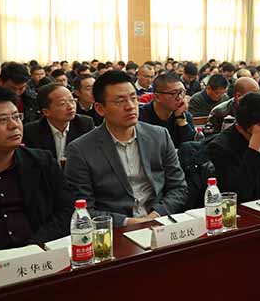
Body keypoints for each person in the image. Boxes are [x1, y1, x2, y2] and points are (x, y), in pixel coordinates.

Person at [0, 86, 73, 259]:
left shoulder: (42, 162)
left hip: (40, 256)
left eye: (17, 117)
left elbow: (66, 209)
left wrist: (35, 247)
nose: (14, 125)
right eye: (2, 120)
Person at [64, 71, 188, 228]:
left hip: (160, 222)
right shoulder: (81, 150)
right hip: (115, 229)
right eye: (120, 101)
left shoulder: (159, 136)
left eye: (133, 98)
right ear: (100, 109)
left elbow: (178, 188)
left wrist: (155, 215)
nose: (130, 106)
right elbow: (83, 209)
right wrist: (129, 222)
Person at [206, 93, 260, 203]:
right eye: (258, 133)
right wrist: (255, 145)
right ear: (239, 128)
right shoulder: (220, 147)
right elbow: (237, 194)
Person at [22, 83, 94, 161]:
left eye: (72, 100)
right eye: (62, 103)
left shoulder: (85, 124)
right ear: (46, 112)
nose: (71, 106)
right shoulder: (31, 131)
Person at [138, 73, 194, 148]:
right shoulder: (140, 116)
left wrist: (181, 120)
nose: (180, 97)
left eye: (182, 92)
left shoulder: (184, 115)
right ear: (157, 97)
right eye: (174, 93)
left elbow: (191, 148)